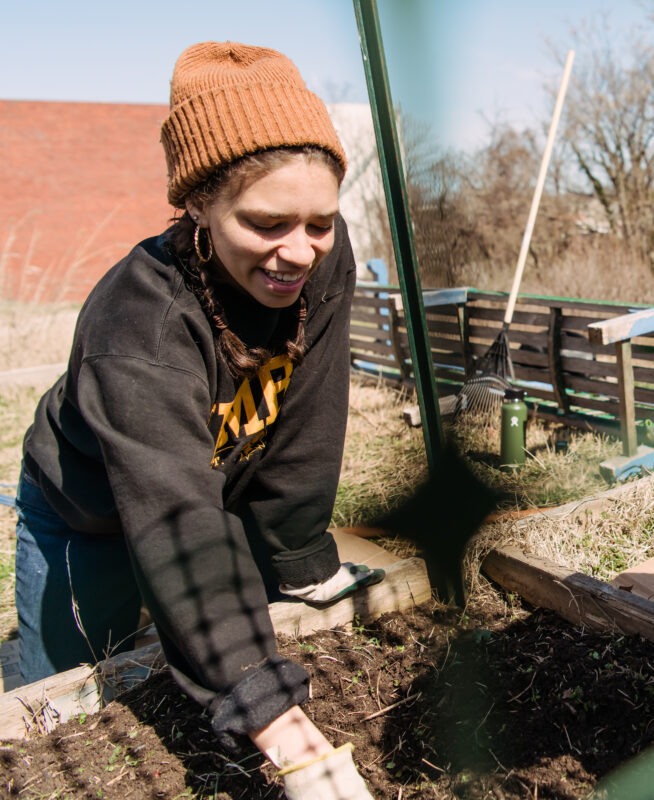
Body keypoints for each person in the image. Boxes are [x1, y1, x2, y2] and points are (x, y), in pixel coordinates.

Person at [15, 42, 383, 799]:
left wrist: (301, 563)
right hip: (93, 514)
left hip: (210, 480)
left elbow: (310, 418)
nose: (298, 251)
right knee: (76, 706)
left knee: (202, 625)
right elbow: (177, 514)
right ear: (198, 206)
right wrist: (271, 713)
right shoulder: (138, 329)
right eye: (266, 223)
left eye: (319, 222)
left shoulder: (323, 257)